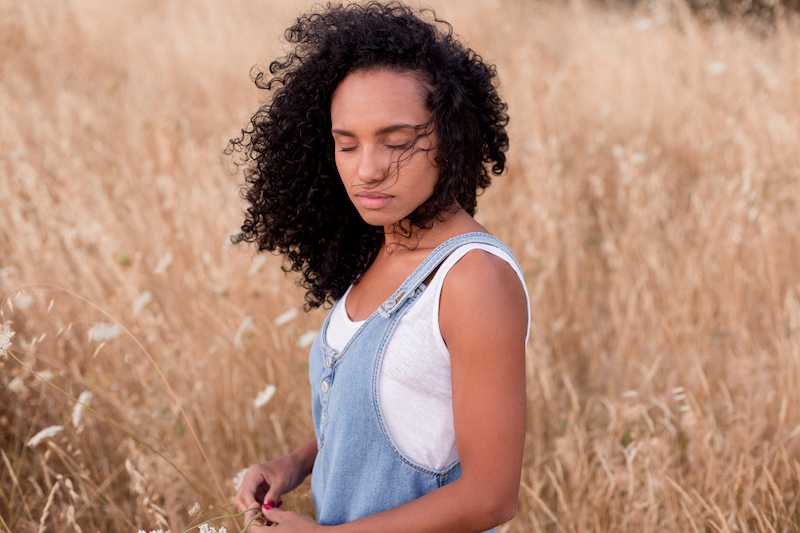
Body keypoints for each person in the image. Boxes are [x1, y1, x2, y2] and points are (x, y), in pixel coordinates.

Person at [229, 2, 529, 531]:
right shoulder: (385, 246)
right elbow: (398, 413)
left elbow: (491, 498)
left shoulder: (472, 279)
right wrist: (296, 464)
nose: (366, 170)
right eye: (347, 145)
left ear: (452, 137)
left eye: (396, 142)